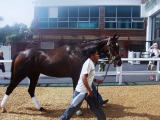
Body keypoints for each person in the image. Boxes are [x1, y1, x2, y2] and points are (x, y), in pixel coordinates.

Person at [59, 48, 106, 120]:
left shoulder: (90, 63)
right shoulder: (88, 64)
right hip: (81, 91)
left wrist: (95, 80)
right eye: (96, 54)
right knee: (71, 109)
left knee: (97, 107)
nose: (98, 56)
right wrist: (89, 91)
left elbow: (86, 76)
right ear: (92, 55)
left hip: (86, 90)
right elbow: (84, 78)